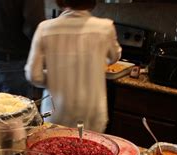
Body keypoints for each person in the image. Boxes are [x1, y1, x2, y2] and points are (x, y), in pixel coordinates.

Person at [25, 0, 121, 132]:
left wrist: (56, 78)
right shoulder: (105, 27)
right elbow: (114, 56)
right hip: (93, 113)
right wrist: (97, 62)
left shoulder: (45, 28)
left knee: (54, 150)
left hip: (56, 112)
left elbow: (33, 75)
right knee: (91, 150)